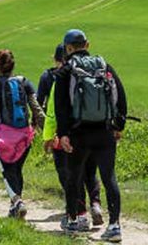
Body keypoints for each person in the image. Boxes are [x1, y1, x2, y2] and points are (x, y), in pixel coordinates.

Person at [54, 29, 127, 242]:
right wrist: (118, 125)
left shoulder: (65, 71)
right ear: (87, 45)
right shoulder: (104, 66)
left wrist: (63, 134)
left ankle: (74, 221)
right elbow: (120, 96)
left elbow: (61, 105)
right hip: (104, 132)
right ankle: (114, 226)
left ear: (67, 48)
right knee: (109, 177)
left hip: (78, 133)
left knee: (73, 177)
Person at [0, 49, 44, 219]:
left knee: (8, 171)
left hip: (2, 136)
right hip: (24, 135)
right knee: (17, 169)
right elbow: (36, 109)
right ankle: (15, 206)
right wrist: (47, 131)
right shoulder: (25, 83)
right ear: (13, 65)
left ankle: (17, 201)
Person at [40, 43, 104, 226]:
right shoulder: (86, 73)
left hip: (65, 136)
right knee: (90, 172)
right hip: (90, 131)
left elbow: (52, 112)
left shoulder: (55, 77)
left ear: (56, 58)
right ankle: (96, 203)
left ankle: (79, 213)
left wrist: (48, 137)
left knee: (70, 176)